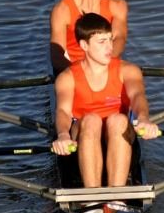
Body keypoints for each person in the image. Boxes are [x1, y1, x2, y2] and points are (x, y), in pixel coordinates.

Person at [52, 13, 158, 189]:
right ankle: (92, 194)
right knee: (92, 120)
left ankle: (117, 194)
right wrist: (63, 135)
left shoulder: (128, 70)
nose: (110, 47)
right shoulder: (67, 77)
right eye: (102, 42)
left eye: (110, 39)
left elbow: (138, 97)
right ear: (84, 45)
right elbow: (63, 111)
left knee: (117, 120)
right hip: (83, 132)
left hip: (118, 131)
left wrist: (144, 119)